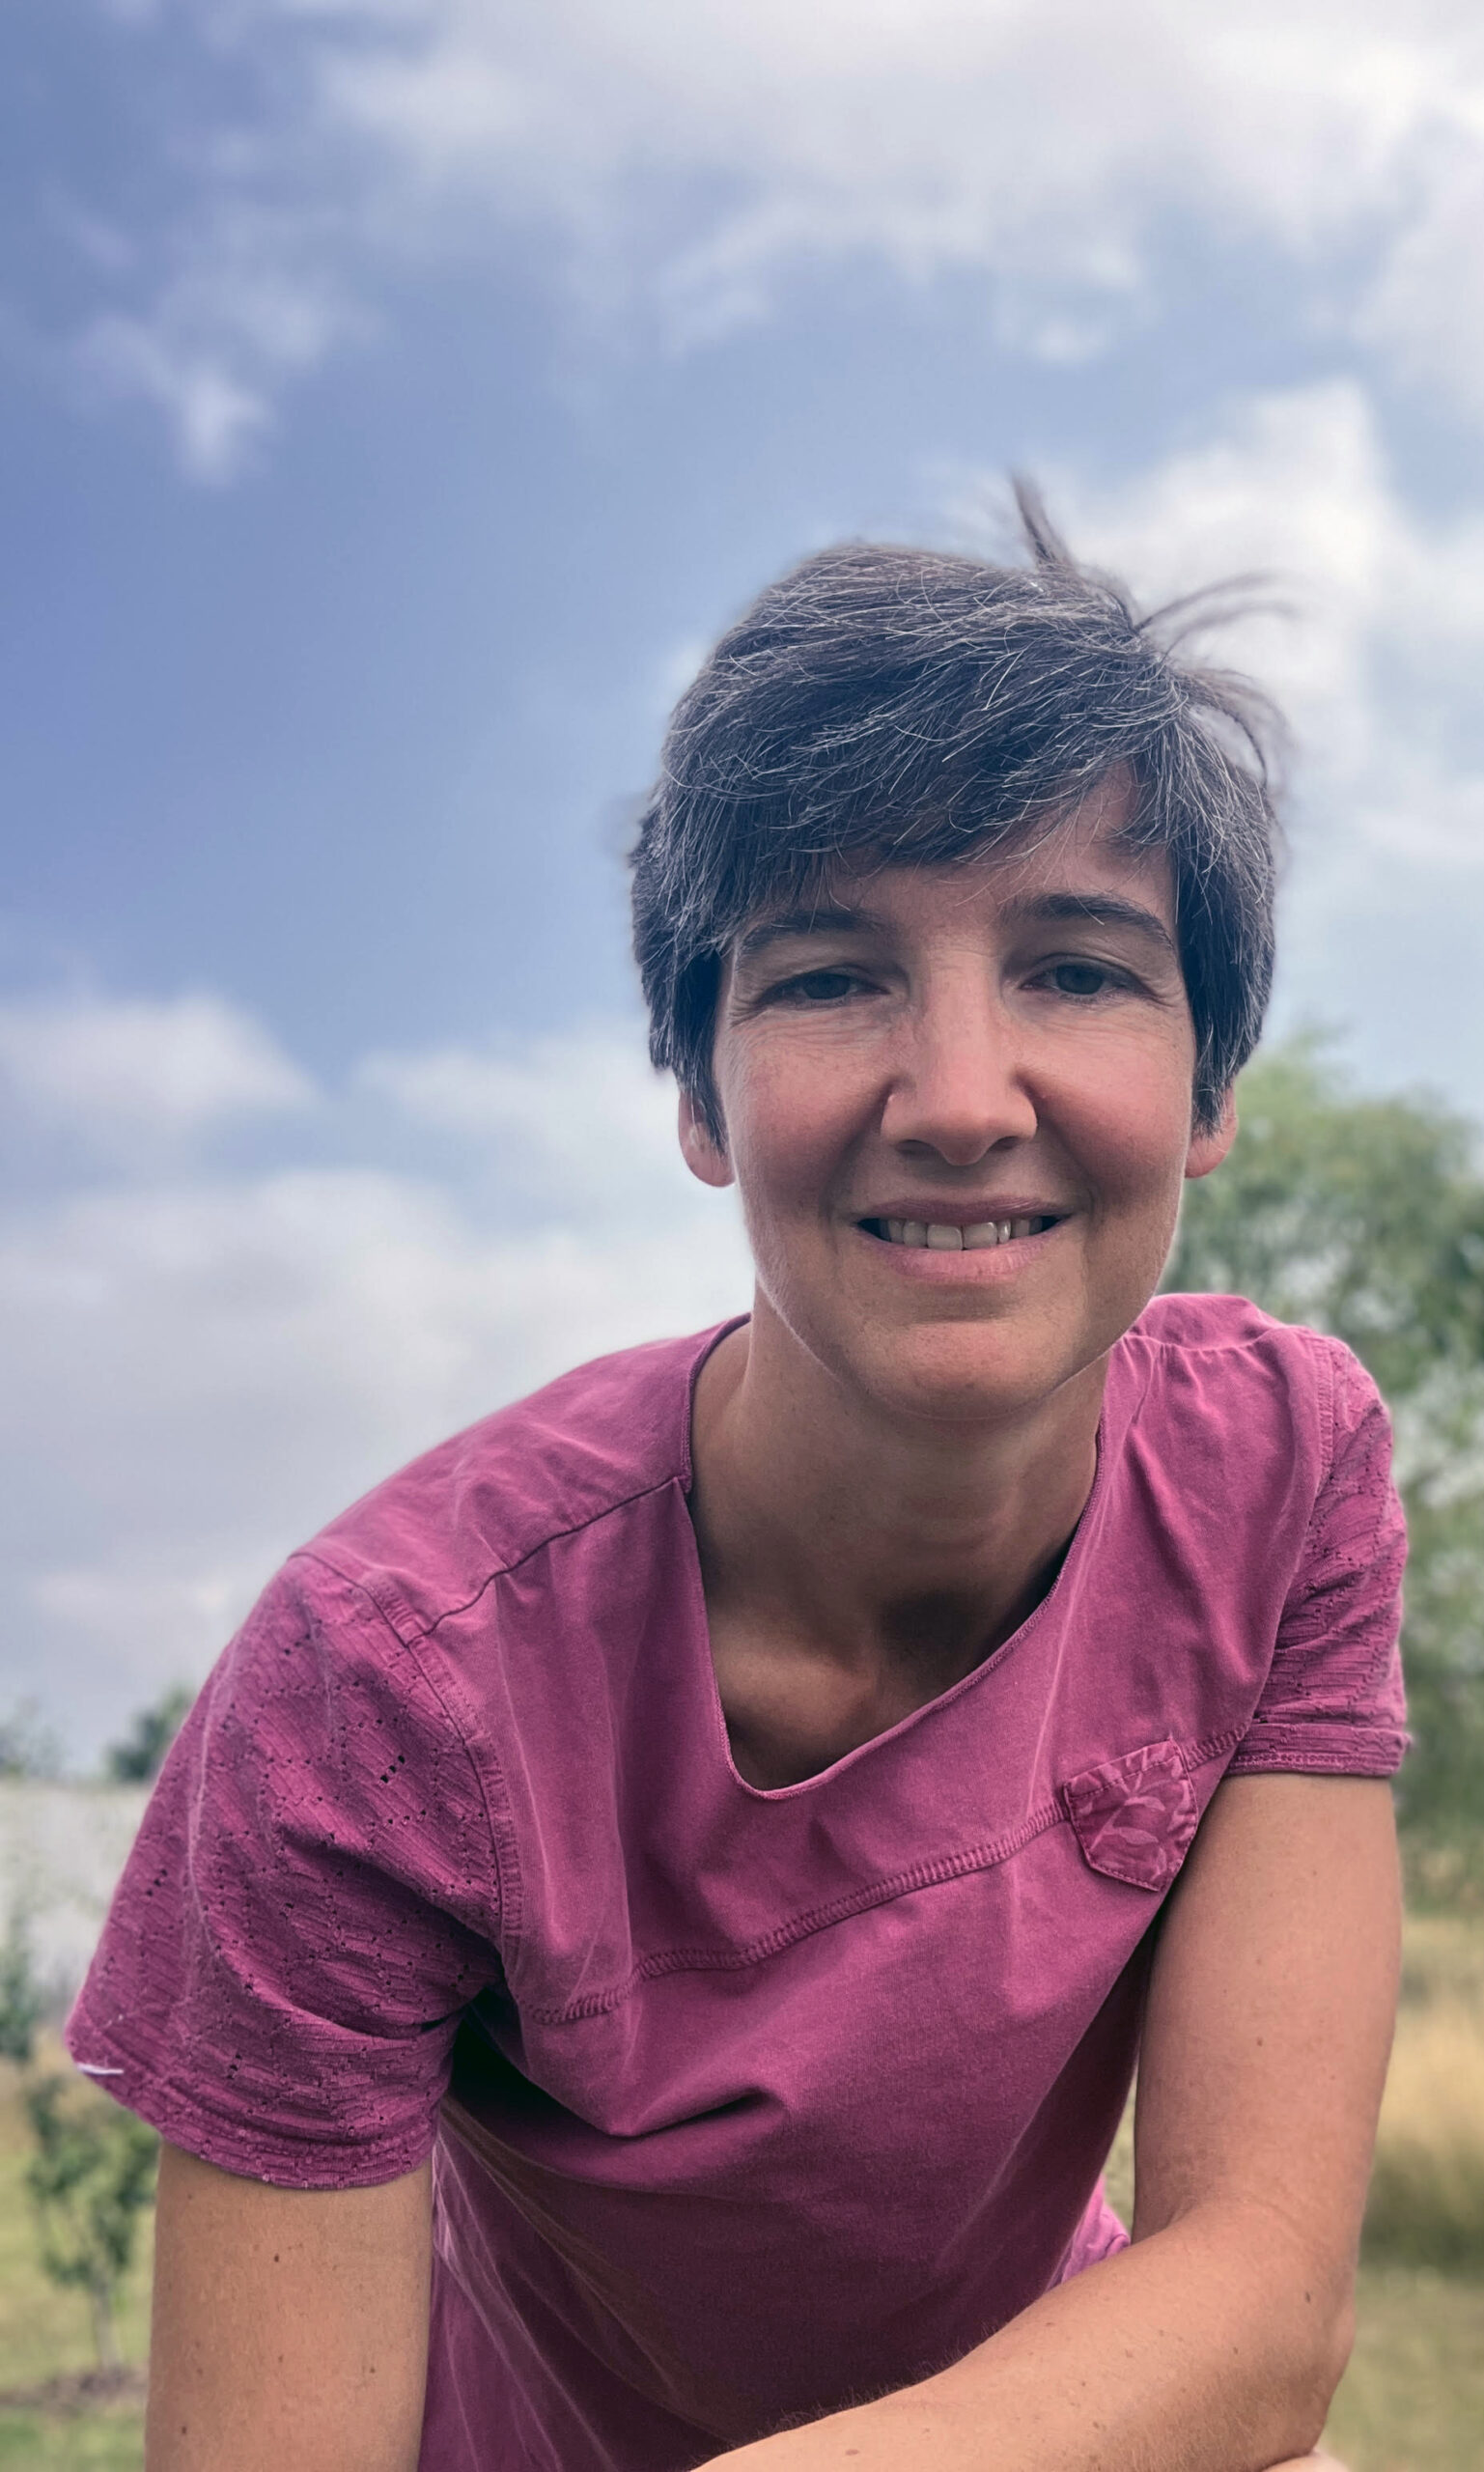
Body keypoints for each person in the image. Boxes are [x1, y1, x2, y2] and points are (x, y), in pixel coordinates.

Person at [70, 493, 1407, 2472]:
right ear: (698, 1095)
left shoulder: (1282, 1476)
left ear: (1209, 1087)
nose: (958, 1097)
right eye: (826, 975)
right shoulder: (375, 1686)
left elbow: (1263, 2292)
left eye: (1076, 967)